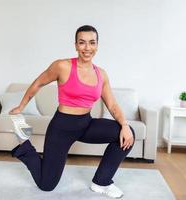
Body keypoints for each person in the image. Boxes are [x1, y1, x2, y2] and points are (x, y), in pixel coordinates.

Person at [9, 25, 135, 199]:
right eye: (82, 43)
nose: (87, 48)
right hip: (62, 128)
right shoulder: (62, 66)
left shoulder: (102, 75)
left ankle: (101, 181)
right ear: (75, 45)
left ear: (97, 45)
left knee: (127, 134)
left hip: (86, 124)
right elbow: (38, 83)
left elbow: (112, 105)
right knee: (47, 185)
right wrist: (20, 107)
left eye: (92, 43)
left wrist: (125, 125)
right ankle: (24, 144)